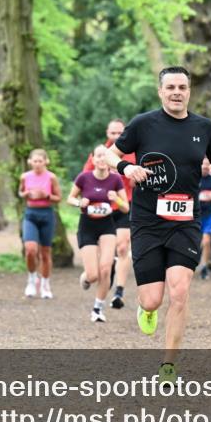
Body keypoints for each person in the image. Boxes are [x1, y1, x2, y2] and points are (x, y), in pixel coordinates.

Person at [108, 66, 211, 383]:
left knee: (179, 293)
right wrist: (126, 167)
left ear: (189, 91)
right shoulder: (142, 124)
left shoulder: (204, 128)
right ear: (160, 91)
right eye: (170, 87)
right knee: (153, 298)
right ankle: (147, 309)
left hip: (185, 221)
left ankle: (168, 367)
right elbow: (108, 154)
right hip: (148, 221)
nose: (176, 92)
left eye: (182, 87)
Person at [67, 146, 126, 323]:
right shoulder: (84, 178)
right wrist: (79, 202)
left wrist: (116, 199)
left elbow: (126, 208)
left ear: (109, 160)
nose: (101, 159)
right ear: (92, 159)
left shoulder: (115, 179)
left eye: (104, 156)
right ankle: (85, 278)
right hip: (87, 225)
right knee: (93, 275)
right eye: (98, 156)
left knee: (106, 268)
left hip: (107, 226)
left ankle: (97, 309)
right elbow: (69, 198)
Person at [83, 119, 136, 309]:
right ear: (107, 133)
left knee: (122, 247)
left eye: (119, 133)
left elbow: (138, 179)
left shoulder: (132, 153)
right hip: (102, 208)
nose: (115, 136)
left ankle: (119, 292)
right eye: (112, 133)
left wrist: (134, 180)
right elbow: (85, 179)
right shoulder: (99, 154)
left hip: (125, 206)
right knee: (102, 254)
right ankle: (92, 276)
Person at [18, 149, 62, 299]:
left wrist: (46, 195)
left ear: (46, 162)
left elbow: (58, 197)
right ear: (30, 162)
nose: (37, 164)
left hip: (46, 214)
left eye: (40, 161)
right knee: (30, 249)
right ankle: (31, 279)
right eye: (34, 161)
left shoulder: (51, 177)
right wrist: (26, 194)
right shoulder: (25, 177)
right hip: (30, 214)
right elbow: (21, 192)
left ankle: (45, 284)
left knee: (45, 253)